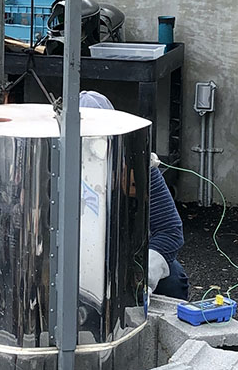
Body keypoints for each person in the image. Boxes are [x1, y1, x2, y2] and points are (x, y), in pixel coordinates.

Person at [78, 91, 189, 299]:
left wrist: (143, 276)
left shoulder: (139, 165)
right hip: (72, 253)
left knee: (173, 282)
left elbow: (170, 230)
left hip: (124, 253)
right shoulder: (52, 164)